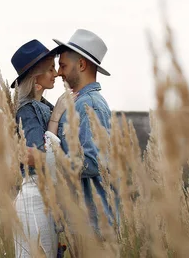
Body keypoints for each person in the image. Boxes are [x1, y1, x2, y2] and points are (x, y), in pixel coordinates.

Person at [51, 29, 116, 233]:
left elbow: (95, 162)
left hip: (93, 227)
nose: (59, 72)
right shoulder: (78, 103)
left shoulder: (90, 105)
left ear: (81, 65)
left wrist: (51, 160)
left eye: (63, 66)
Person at [10, 39, 67, 258]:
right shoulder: (27, 110)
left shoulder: (42, 105)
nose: (56, 74)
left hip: (44, 196)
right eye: (50, 69)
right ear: (36, 78)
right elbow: (34, 156)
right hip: (36, 198)